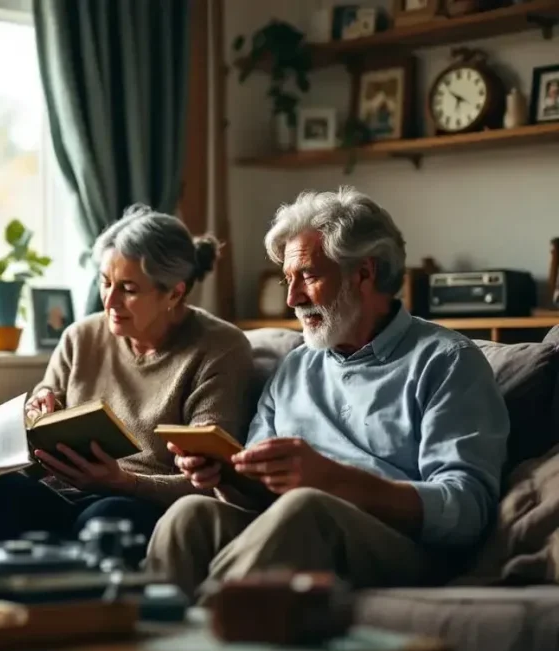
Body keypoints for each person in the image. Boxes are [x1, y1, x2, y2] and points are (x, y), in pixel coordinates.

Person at [147, 187, 509, 600]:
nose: (292, 299)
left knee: (307, 509)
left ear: (364, 272)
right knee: (189, 515)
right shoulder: (295, 368)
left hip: (402, 547)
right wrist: (225, 477)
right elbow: (258, 494)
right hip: (296, 531)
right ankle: (150, 650)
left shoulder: (446, 362)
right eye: (288, 280)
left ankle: (202, 637)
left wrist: (335, 481)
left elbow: (467, 510)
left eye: (309, 277)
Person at [0, 204, 253, 541]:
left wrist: (123, 481)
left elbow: (211, 481)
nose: (110, 302)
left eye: (129, 290)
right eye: (105, 283)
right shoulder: (81, 336)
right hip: (62, 493)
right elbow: (44, 406)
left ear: (175, 293)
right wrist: (37, 410)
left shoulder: (219, 348)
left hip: (140, 499)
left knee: (106, 522)